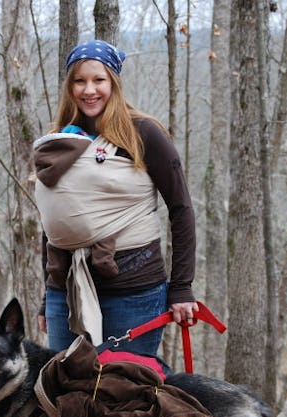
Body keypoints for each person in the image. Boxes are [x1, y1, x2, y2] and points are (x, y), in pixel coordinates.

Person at [33, 39, 198, 355]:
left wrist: (181, 288)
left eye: (99, 80)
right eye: (79, 81)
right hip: (66, 292)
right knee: (65, 396)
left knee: (126, 396)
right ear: (70, 87)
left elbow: (181, 208)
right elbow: (54, 217)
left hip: (132, 290)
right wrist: (47, 294)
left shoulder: (144, 133)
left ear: (114, 83)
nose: (88, 90)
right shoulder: (62, 139)